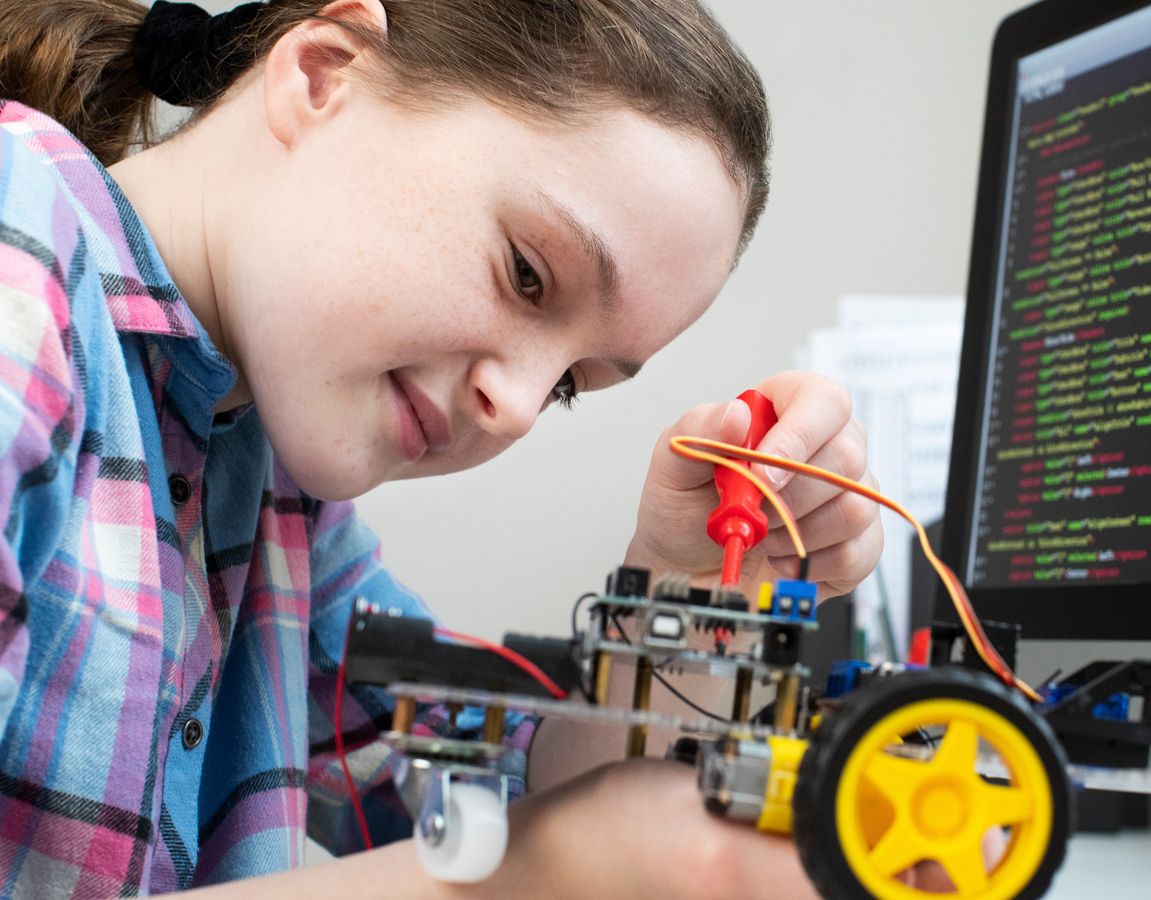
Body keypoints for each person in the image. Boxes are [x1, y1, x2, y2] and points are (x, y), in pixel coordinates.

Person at [0, 0, 885, 897]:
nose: (518, 409)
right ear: (324, 75)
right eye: (527, 274)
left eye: (569, 383)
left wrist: (682, 589)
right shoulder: (17, 258)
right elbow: (541, 842)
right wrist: (547, 867)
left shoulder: (272, 483)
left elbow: (499, 787)